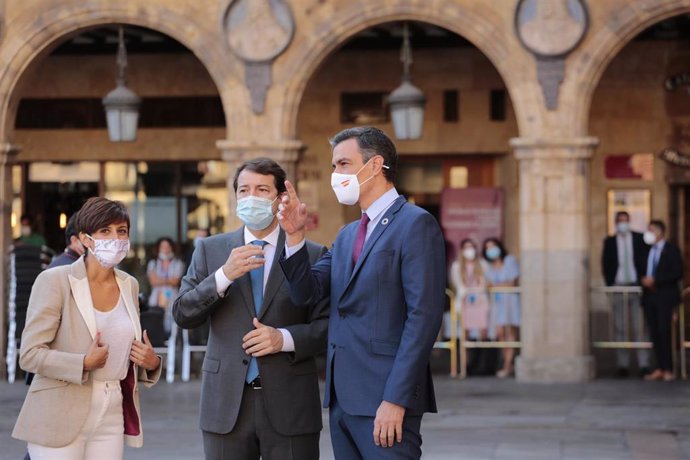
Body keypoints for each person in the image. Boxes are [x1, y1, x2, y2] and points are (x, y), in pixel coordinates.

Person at [278, 126, 445, 459]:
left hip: (385, 398)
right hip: (343, 400)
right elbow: (306, 293)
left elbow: (423, 318)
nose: (335, 174)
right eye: (334, 166)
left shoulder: (415, 224)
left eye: (342, 164)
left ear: (374, 165)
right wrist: (294, 238)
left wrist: (396, 399)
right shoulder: (348, 234)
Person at [172, 158, 328, 460]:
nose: (251, 197)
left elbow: (327, 327)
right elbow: (183, 313)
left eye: (261, 189)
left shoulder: (311, 253)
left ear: (280, 198)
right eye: (243, 190)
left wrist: (283, 338)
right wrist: (223, 276)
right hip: (225, 404)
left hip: (291, 405)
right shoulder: (210, 250)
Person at [12, 197, 162, 459]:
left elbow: (128, 349)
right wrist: (82, 363)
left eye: (121, 231)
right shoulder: (55, 280)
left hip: (112, 408)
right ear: (85, 239)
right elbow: (30, 354)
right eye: (105, 231)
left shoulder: (129, 285)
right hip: (60, 410)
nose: (115, 238)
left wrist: (150, 363)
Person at [601, 211, 650, 377]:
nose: (623, 224)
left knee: (640, 326)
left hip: (636, 286)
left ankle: (644, 363)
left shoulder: (639, 239)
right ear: (615, 223)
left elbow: (646, 259)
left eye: (626, 221)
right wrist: (609, 285)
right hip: (619, 286)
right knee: (620, 326)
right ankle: (623, 364)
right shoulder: (610, 241)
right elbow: (605, 264)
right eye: (620, 221)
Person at [641, 220, 683, 381]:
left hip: (665, 297)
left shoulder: (671, 250)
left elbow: (677, 272)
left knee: (664, 332)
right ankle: (658, 367)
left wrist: (656, 280)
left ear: (660, 232)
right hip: (649, 297)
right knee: (654, 333)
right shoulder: (646, 250)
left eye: (651, 230)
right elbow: (641, 268)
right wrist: (644, 280)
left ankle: (668, 368)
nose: (648, 233)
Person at [482, 237, 520, 378]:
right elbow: (488, 285)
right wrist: (499, 286)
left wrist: (496, 286)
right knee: (500, 333)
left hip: (510, 301)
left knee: (510, 333)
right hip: (497, 303)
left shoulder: (509, 260)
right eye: (488, 247)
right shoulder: (489, 267)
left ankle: (507, 365)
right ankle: (508, 362)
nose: (491, 249)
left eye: (493, 246)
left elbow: (512, 283)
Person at [449, 239, 490, 342]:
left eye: (471, 247)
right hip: (464, 301)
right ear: (462, 250)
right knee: (465, 333)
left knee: (483, 331)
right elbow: (458, 285)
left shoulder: (483, 264)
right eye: (466, 248)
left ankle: (483, 357)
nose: (469, 250)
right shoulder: (456, 266)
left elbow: (486, 283)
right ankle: (466, 358)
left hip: (480, 301)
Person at [147, 237, 186, 335]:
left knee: (171, 326)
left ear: (172, 248)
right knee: (156, 325)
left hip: (172, 299)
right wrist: (169, 280)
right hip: (156, 299)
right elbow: (153, 281)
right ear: (158, 248)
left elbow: (176, 281)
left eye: (168, 246)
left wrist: (160, 279)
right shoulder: (153, 263)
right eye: (163, 246)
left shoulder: (178, 263)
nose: (165, 249)